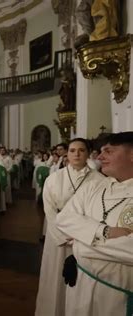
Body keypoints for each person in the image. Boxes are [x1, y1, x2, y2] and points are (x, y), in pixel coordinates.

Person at [57, 132, 132, 316]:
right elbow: (64, 218)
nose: (99, 157)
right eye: (100, 151)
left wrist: (80, 244)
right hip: (80, 283)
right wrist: (104, 231)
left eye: (108, 151)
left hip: (117, 294)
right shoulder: (94, 185)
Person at [35, 138, 105, 316]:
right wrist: (62, 235)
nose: (76, 154)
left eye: (81, 150)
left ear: (88, 153)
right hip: (57, 234)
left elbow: (100, 210)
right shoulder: (54, 178)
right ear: (67, 153)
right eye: (73, 150)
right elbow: (49, 208)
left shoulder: (100, 179)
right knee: (55, 277)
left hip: (84, 238)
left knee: (79, 280)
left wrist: (82, 233)